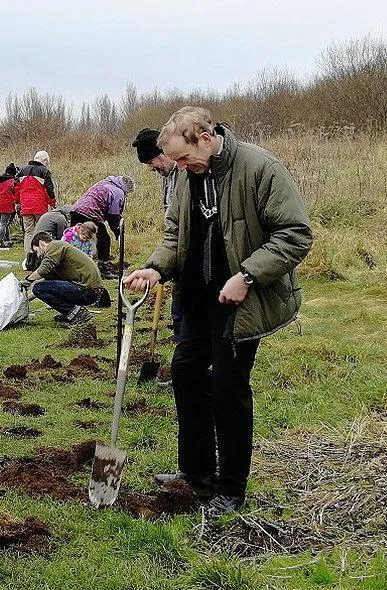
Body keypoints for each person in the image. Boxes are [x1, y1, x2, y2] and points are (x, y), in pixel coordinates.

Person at [123, 106, 312, 515]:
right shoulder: (186, 177)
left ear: (206, 139)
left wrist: (247, 275)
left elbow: (296, 235)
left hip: (241, 302)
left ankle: (230, 487)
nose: (179, 167)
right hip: (196, 298)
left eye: (184, 158)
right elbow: (175, 235)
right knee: (187, 374)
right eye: (174, 161)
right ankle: (196, 474)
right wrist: (154, 268)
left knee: (229, 390)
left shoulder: (261, 170)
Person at [133, 127, 182, 387]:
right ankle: (182, 363)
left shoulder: (186, 173)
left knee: (184, 312)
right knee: (178, 312)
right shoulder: (168, 176)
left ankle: (187, 367)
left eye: (154, 162)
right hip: (174, 252)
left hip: (188, 254)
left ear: (164, 153)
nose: (154, 168)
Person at [20, 233, 102, 326]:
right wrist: (24, 300)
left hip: (87, 290)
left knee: (38, 287)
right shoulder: (58, 251)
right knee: (42, 288)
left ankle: (77, 314)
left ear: (41, 243)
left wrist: (28, 280)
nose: (38, 255)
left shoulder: (54, 246)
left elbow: (44, 269)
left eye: (36, 251)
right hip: (88, 290)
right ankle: (71, 313)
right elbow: (46, 287)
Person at [71, 175, 136, 278]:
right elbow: (113, 216)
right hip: (90, 212)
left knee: (76, 240)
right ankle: (103, 269)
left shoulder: (106, 183)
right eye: (129, 193)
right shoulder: (119, 192)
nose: (127, 195)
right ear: (127, 188)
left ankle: (74, 267)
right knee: (104, 239)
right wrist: (117, 232)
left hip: (76, 210)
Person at [15, 150, 56, 255]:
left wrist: (18, 203)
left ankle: (28, 256)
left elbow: (16, 189)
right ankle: (39, 255)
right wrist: (52, 204)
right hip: (40, 206)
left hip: (26, 206)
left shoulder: (22, 171)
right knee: (40, 232)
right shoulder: (44, 172)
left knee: (28, 232)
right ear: (45, 160)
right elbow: (49, 190)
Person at [0, 163, 18, 248]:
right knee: (4, 224)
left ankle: (8, 239)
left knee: (4, 223)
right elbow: (15, 194)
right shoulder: (12, 182)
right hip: (7, 204)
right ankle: (0, 242)